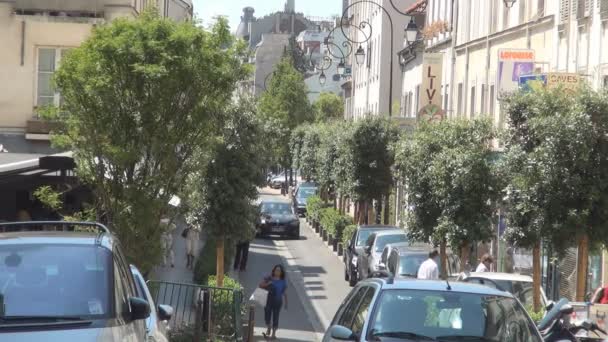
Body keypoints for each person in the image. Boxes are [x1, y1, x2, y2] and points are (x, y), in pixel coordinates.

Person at [259, 264, 288, 340]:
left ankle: (273, 334)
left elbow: (284, 293)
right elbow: (260, 285)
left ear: (281, 273)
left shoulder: (283, 282)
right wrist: (268, 284)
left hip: (278, 302)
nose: (277, 272)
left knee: (276, 317)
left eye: (279, 270)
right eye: (276, 270)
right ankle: (269, 327)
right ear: (274, 270)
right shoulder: (269, 278)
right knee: (267, 316)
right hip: (268, 300)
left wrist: (286, 303)